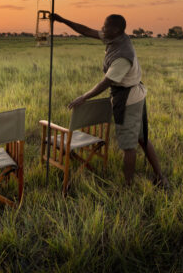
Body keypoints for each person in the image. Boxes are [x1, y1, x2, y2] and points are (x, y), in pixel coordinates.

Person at [51, 12, 167, 188]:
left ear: (117, 30)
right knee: (143, 138)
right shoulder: (115, 38)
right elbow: (87, 31)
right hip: (135, 94)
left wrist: (84, 97)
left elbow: (106, 82)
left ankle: (128, 186)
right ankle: (160, 177)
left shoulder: (122, 55)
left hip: (129, 99)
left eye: (106, 26)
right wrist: (62, 20)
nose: (102, 28)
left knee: (130, 146)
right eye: (103, 25)